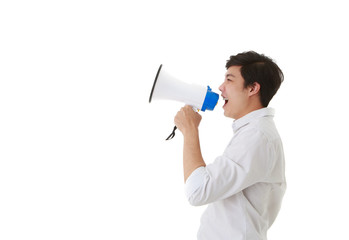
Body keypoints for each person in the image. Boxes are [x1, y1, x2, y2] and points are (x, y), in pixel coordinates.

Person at [174, 51, 286, 240]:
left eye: (229, 80)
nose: (220, 87)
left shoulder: (256, 136)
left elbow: (197, 191)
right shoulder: (254, 132)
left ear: (253, 88)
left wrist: (190, 130)